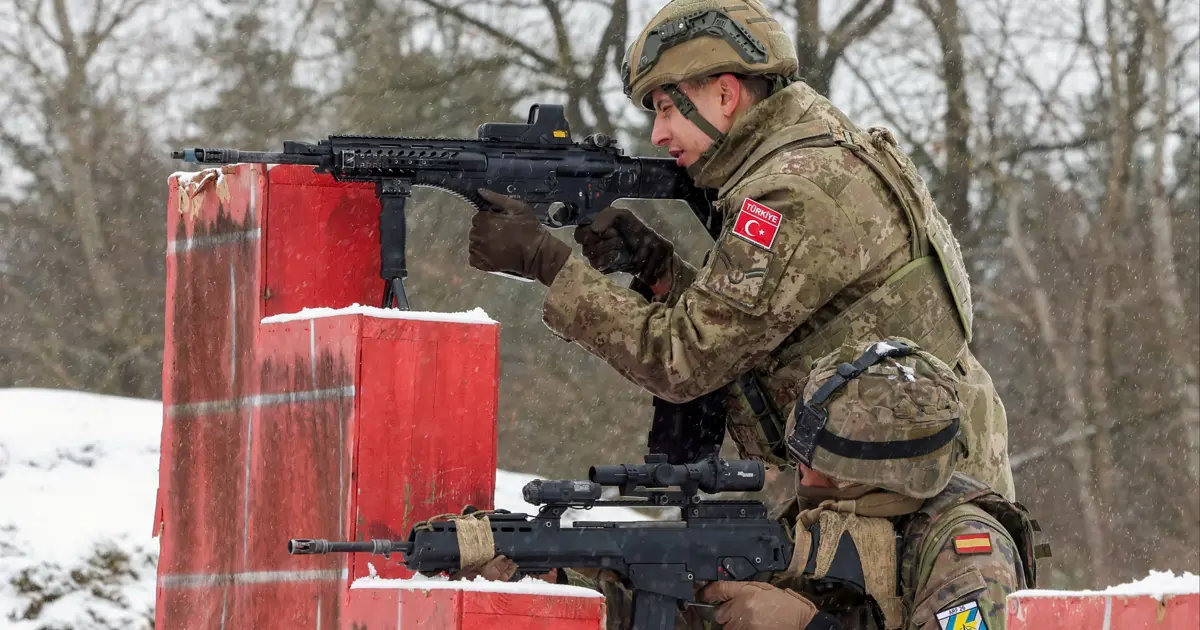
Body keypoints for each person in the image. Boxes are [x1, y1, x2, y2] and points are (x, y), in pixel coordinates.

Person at [465, 0, 1016, 502]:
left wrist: (547, 263)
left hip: (911, 496)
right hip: (901, 476)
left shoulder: (789, 193)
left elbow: (684, 359)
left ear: (725, 95)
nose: (658, 134)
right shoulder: (815, 151)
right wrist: (658, 269)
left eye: (665, 108)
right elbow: (766, 326)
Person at [462, 338, 1045, 630]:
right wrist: (561, 582)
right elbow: (690, 613)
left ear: (882, 473)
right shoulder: (821, 514)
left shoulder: (966, 549)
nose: (802, 473)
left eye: (822, 461)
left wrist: (805, 624)